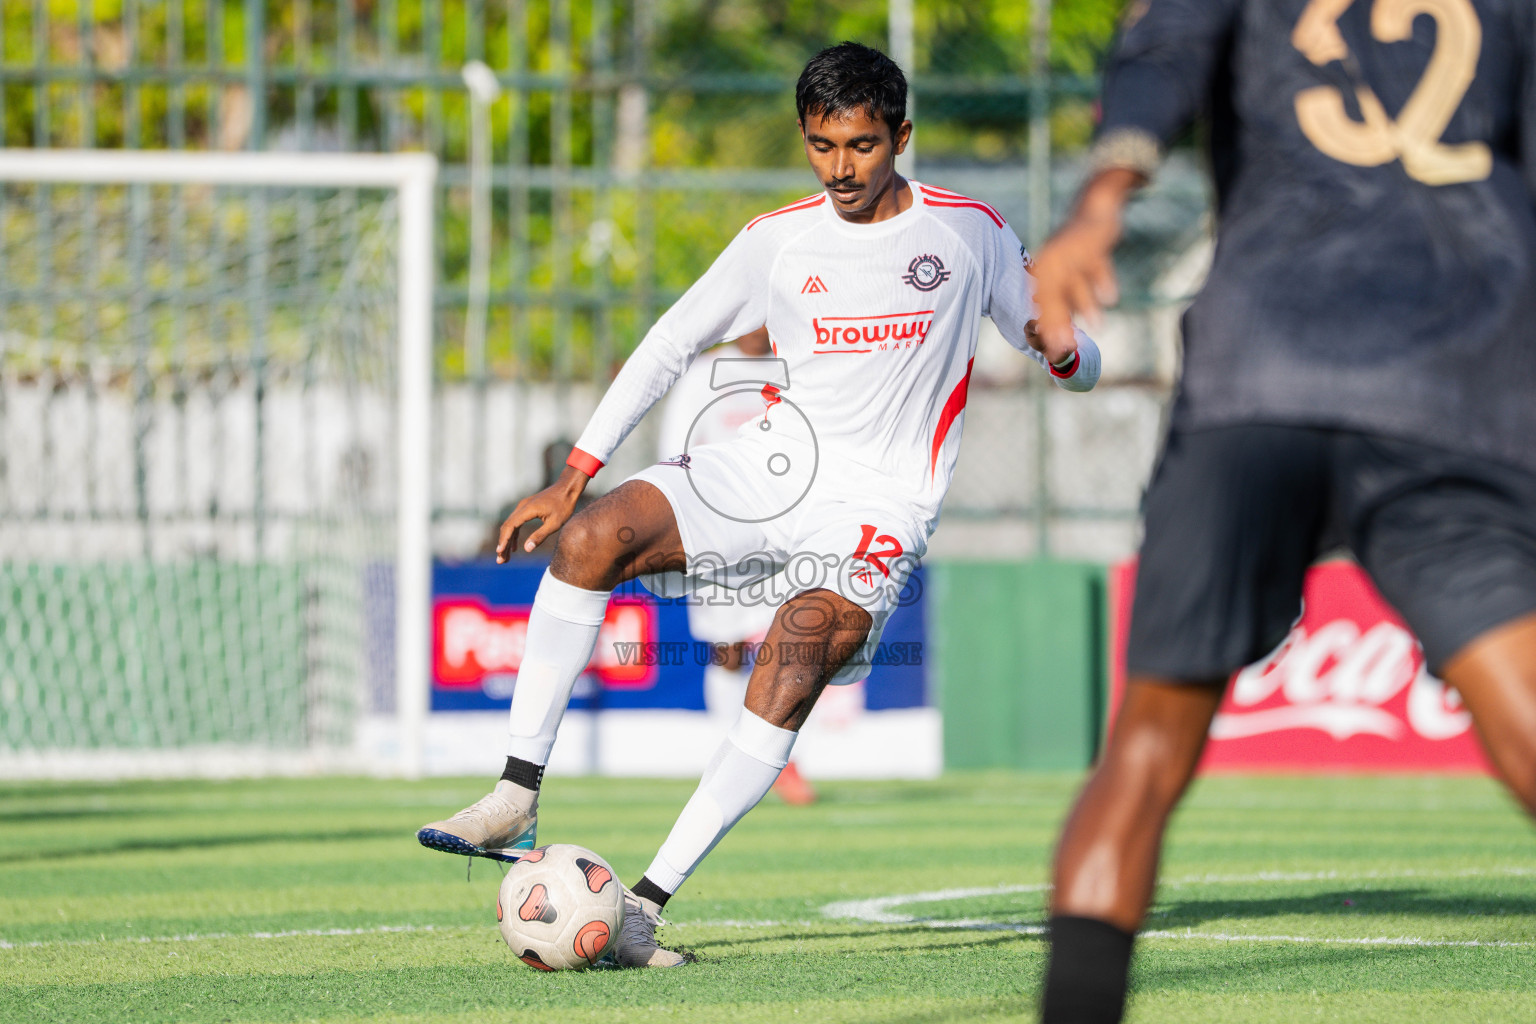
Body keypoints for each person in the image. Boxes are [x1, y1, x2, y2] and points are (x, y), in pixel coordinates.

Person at [417, 40, 1102, 968]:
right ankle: (514, 792)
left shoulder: (968, 234)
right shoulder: (778, 238)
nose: (841, 168)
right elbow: (669, 343)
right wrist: (578, 469)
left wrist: (1069, 355)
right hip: (769, 468)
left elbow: (1069, 349)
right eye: (822, 146)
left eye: (861, 145)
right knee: (590, 539)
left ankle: (644, 910)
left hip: (878, 507)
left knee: (788, 658)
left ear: (901, 135)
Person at [1027, 2, 1536, 1021]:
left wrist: (1098, 204)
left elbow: (1157, 67)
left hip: (1265, 365)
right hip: (1455, 374)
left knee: (1146, 749)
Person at [656, 326, 817, 805]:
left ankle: (782, 759)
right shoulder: (705, 375)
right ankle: (727, 756)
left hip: (781, 534)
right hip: (718, 534)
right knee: (727, 652)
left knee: (787, 645)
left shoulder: (796, 372)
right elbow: (675, 450)